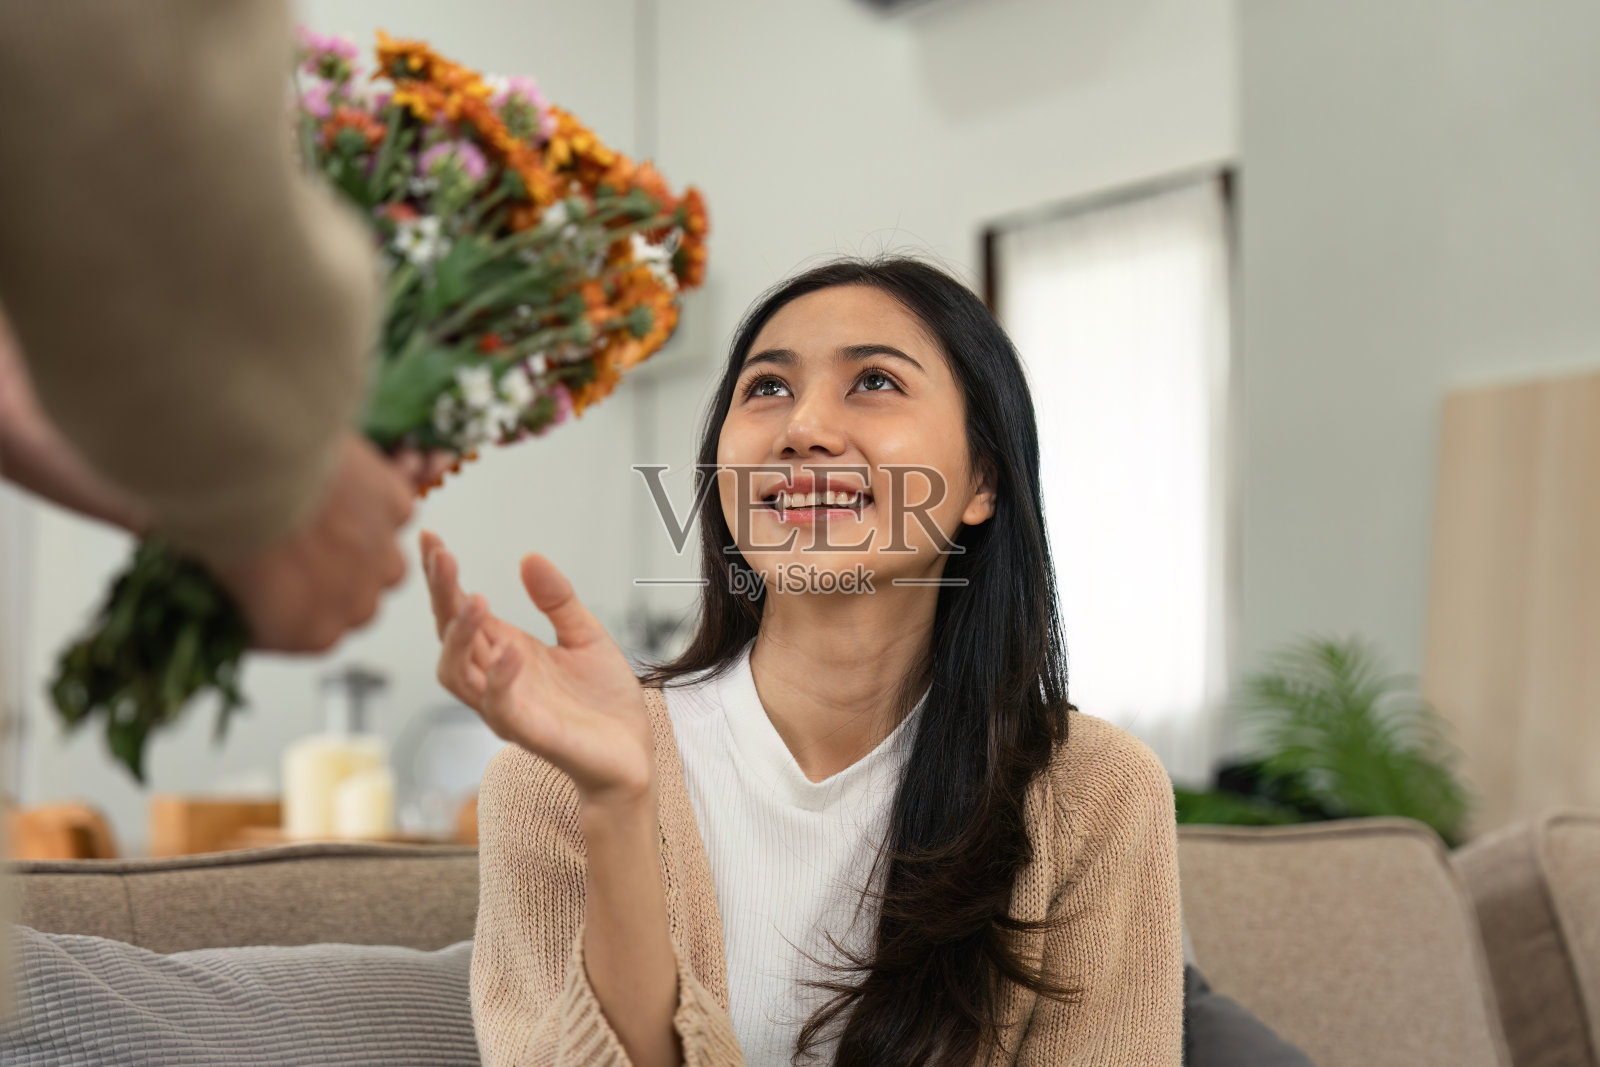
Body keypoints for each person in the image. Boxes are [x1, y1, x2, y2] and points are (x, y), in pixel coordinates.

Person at [424, 257, 1185, 1066]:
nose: (804, 428)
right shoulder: (553, 780)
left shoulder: (1092, 790)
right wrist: (616, 804)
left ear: (982, 479)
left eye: (876, 382)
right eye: (768, 388)